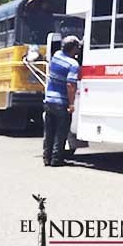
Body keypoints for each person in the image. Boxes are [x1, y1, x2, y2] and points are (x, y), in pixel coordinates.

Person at [43, 36, 81, 167]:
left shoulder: (56, 55)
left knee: (49, 131)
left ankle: (46, 158)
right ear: (73, 48)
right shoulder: (73, 65)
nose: (78, 50)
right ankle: (56, 159)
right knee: (61, 132)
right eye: (78, 48)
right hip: (61, 102)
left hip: (49, 100)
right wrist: (71, 104)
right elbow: (70, 85)